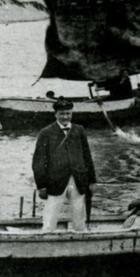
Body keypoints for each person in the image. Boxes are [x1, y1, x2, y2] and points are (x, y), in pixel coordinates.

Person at [32, 98, 97, 232]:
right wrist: (41, 185)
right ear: (55, 114)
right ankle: (46, 239)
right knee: (50, 217)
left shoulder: (79, 130)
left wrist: (92, 180)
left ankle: (81, 239)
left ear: (72, 113)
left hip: (78, 179)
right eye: (62, 114)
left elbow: (87, 156)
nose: (65, 117)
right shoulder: (46, 132)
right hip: (55, 181)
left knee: (79, 215)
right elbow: (38, 161)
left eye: (68, 113)